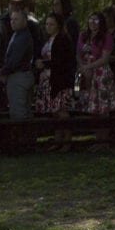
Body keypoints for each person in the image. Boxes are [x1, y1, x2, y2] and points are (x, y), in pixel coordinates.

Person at [34, 12, 76, 149]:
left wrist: (45, 64)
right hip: (47, 79)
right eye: (46, 24)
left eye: (51, 24)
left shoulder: (62, 39)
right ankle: (58, 139)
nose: (48, 27)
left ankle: (68, 140)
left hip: (59, 80)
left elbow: (61, 61)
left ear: (58, 25)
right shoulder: (48, 40)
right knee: (54, 110)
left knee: (62, 109)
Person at [76, 11, 115, 116]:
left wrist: (88, 67)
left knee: (102, 110)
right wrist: (83, 68)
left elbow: (105, 58)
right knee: (87, 108)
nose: (93, 22)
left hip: (101, 74)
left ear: (101, 22)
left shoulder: (107, 36)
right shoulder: (82, 35)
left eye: (96, 20)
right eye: (91, 19)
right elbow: (78, 54)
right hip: (84, 73)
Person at [0, 9, 35, 121]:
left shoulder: (23, 37)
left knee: (19, 113)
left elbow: (15, 59)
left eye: (16, 19)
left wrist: (3, 71)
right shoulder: (17, 35)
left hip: (19, 76)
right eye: (11, 19)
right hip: (18, 75)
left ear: (24, 20)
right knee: (22, 111)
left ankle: (24, 138)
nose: (12, 22)